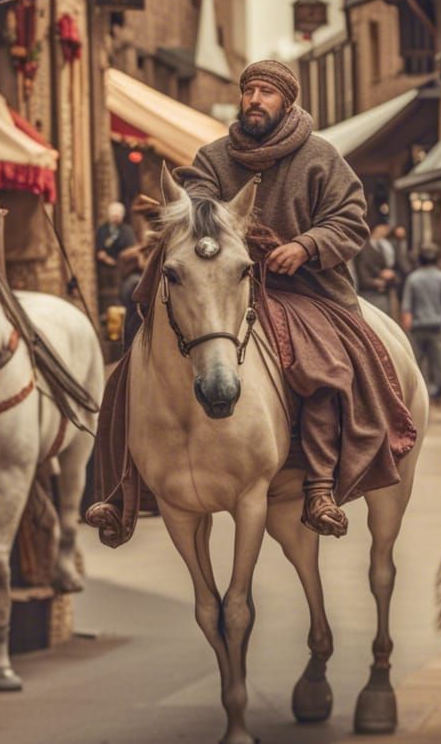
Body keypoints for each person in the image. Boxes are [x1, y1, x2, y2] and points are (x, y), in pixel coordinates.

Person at [175, 59, 414, 537]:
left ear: (287, 102)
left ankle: (319, 481)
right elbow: (196, 207)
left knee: (322, 361)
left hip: (306, 287)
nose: (255, 100)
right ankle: (129, 476)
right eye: (250, 91)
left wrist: (306, 246)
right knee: (155, 334)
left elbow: (349, 220)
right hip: (228, 282)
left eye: (267, 92)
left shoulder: (321, 157)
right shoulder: (212, 158)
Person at [401, 242, 441, 400]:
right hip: (437, 326)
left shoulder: (413, 278)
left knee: (415, 362)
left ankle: (417, 393)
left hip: (417, 326)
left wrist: (406, 323)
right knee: (439, 363)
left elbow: (407, 305)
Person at [95, 201, 137, 314]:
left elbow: (132, 248)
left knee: (122, 293)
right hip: (106, 270)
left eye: (118, 215)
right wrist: (107, 259)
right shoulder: (102, 230)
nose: (115, 218)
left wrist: (121, 260)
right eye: (113, 215)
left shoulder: (127, 230)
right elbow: (100, 250)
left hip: (123, 270)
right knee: (107, 295)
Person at [354, 219, 399, 315]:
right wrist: (379, 280)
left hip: (384, 293)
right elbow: (363, 276)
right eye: (383, 228)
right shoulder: (364, 249)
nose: (385, 231)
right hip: (370, 294)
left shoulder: (385, 245)